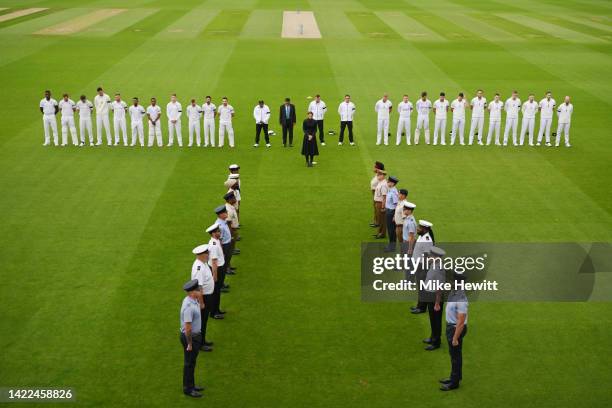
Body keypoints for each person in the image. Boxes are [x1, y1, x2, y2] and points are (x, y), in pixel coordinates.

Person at [440, 273, 468, 391]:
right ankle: (455, 377)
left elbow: (461, 321)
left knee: (455, 356)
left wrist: (455, 337)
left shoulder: (461, 299)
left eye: (453, 281)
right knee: (454, 355)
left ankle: (454, 383)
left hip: (456, 328)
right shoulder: (454, 293)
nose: (451, 283)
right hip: (451, 327)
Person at [179, 279, 204, 398]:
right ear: (192, 292)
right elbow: (187, 328)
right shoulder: (188, 306)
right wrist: (189, 344)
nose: (200, 290)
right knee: (189, 363)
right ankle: (187, 389)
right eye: (198, 289)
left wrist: (200, 298)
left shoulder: (194, 300)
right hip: (190, 338)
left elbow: (202, 306)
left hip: (195, 336)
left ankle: (192, 385)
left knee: (192, 362)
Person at [191, 245, 214, 352]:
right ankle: (200, 344)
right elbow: (198, 288)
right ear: (202, 254)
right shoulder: (199, 268)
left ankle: (203, 341)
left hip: (207, 296)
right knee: (201, 322)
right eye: (207, 253)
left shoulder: (202, 263)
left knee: (204, 320)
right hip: (203, 298)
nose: (208, 255)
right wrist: (201, 303)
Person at [422, 243, 444, 351]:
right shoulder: (434, 264)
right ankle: (432, 337)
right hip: (430, 294)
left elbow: (440, 286)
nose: (429, 257)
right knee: (432, 318)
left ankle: (436, 342)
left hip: (435, 297)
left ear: (436, 257)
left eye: (431, 256)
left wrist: (437, 302)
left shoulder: (438, 268)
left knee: (436, 320)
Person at [411, 219, 435, 315]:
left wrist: (424, 270)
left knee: (422, 287)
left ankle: (421, 308)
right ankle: (419, 306)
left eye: (419, 228)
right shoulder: (422, 236)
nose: (417, 229)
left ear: (425, 229)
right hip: (418, 264)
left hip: (422, 266)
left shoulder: (426, 240)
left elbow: (427, 256)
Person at [206, 223, 225, 319]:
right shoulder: (213, 245)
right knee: (215, 292)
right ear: (213, 233)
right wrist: (215, 276)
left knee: (217, 291)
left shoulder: (216, 241)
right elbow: (214, 262)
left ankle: (217, 309)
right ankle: (214, 313)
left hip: (219, 268)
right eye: (218, 231)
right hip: (217, 270)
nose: (220, 232)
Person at [384, 176, 400, 251]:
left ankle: (392, 247)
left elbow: (396, 204)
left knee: (391, 230)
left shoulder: (394, 192)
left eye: (389, 181)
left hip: (391, 212)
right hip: (389, 211)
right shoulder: (390, 190)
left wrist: (394, 216)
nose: (387, 182)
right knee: (390, 229)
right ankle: (391, 245)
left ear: (393, 183)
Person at [373, 171, 388, 239]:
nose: (377, 176)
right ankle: (379, 232)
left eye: (379, 175)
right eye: (377, 175)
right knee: (379, 219)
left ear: (383, 176)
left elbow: (384, 197)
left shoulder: (384, 184)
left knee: (382, 220)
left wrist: (383, 207)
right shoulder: (380, 183)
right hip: (377, 202)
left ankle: (382, 234)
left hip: (380, 203)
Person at [369, 161, 385, 227]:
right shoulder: (377, 174)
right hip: (374, 193)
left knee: (377, 209)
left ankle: (378, 223)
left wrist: (379, 170)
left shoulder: (381, 175)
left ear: (377, 168)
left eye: (374, 167)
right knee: (375, 208)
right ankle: (375, 221)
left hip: (378, 194)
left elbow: (385, 172)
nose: (373, 168)